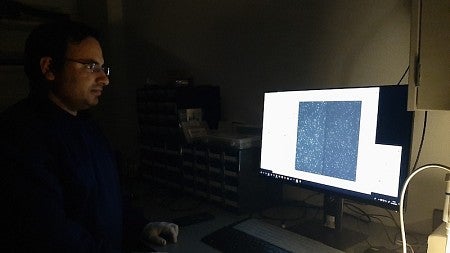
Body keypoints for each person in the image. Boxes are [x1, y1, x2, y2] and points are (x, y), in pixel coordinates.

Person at [0, 20, 178, 253]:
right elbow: (48, 233)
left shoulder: (88, 126)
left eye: (103, 68)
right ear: (49, 68)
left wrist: (140, 226)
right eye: (91, 66)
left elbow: (110, 196)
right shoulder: (18, 135)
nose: (104, 79)